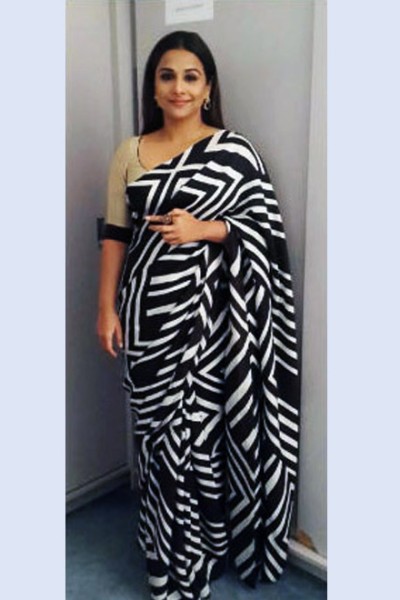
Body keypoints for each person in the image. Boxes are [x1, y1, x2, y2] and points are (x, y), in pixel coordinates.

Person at [97, 30, 300, 600]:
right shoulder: (130, 153)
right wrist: (105, 308)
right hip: (147, 315)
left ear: (208, 87)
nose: (179, 88)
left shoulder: (236, 154)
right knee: (155, 440)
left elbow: (266, 234)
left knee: (201, 436)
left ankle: (202, 551)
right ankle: (163, 556)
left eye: (191, 76)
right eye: (167, 76)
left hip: (213, 323)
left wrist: (203, 229)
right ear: (153, 87)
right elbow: (115, 236)